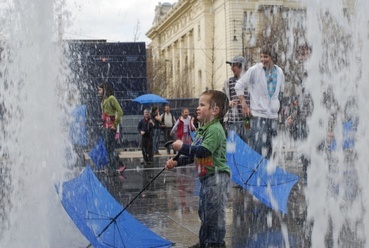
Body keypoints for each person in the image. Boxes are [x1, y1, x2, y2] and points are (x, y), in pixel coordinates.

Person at [165, 90, 230, 248]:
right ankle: (205, 242)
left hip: (217, 178)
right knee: (205, 213)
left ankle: (215, 243)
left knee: (214, 214)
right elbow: (194, 156)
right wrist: (176, 163)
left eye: (202, 104)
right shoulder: (202, 130)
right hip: (207, 179)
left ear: (215, 110)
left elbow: (203, 152)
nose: (198, 108)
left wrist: (183, 146)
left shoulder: (215, 130)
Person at [235, 45, 285, 159]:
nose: (263, 60)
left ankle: (267, 174)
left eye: (266, 57)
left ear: (273, 58)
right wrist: (244, 105)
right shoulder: (254, 70)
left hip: (273, 117)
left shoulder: (280, 72)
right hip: (258, 116)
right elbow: (239, 85)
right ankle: (257, 171)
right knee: (258, 149)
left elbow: (281, 93)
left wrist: (278, 112)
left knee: (271, 150)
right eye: (261, 57)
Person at [98, 83, 126, 173]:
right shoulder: (102, 101)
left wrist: (115, 124)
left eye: (100, 90)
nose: (98, 92)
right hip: (106, 128)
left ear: (104, 90)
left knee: (110, 149)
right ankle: (116, 165)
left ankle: (113, 168)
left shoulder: (111, 99)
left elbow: (120, 111)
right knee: (108, 149)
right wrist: (103, 124)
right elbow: (104, 115)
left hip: (111, 128)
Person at [223, 55, 250, 142]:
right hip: (233, 120)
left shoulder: (249, 81)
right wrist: (229, 103)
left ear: (241, 66)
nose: (232, 68)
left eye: (234, 65)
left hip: (247, 119)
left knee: (247, 143)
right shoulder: (228, 82)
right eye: (231, 65)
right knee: (233, 144)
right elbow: (222, 100)